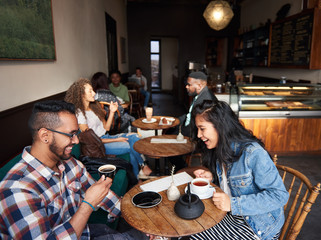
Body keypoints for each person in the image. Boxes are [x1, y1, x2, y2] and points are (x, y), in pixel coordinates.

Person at [0, 100, 148, 239]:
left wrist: (141, 220)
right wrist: (88, 204)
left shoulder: (70, 163)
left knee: (144, 235)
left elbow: (101, 193)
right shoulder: (17, 189)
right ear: (45, 136)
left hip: (83, 232)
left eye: (76, 134)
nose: (76, 141)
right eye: (71, 135)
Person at [189, 100, 289, 240]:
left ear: (220, 126)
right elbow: (233, 184)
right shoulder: (221, 149)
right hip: (233, 216)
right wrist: (212, 176)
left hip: (257, 225)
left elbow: (280, 196)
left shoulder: (253, 153)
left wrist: (232, 204)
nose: (199, 135)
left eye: (202, 128)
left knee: (194, 236)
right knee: (190, 229)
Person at [65, 78, 152, 178]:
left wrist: (112, 111)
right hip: (99, 145)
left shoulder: (94, 107)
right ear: (81, 94)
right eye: (90, 91)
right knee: (130, 147)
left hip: (106, 137)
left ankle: (140, 173)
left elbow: (107, 128)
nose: (94, 93)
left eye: (93, 90)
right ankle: (142, 169)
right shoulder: (80, 114)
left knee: (135, 136)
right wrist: (117, 139)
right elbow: (92, 141)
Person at [167, 71, 218, 172]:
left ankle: (183, 170)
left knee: (169, 148)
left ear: (199, 85)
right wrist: (175, 121)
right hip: (190, 130)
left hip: (197, 137)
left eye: (189, 84)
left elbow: (198, 127)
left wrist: (177, 132)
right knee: (168, 134)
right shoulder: (199, 96)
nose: (186, 87)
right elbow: (189, 115)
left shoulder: (205, 100)